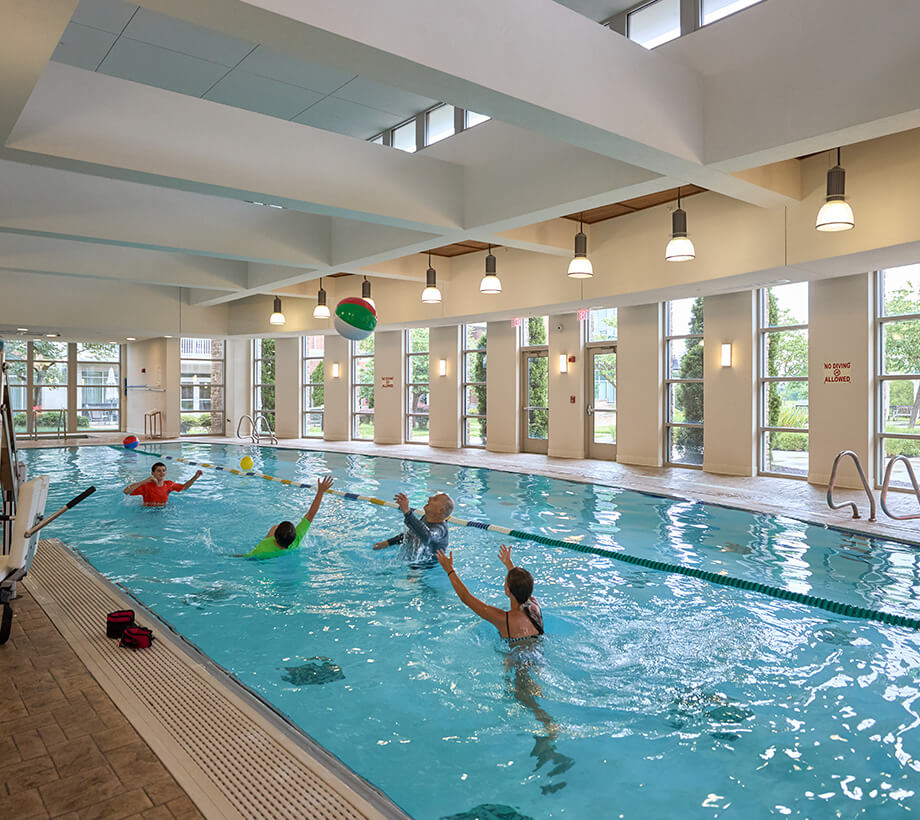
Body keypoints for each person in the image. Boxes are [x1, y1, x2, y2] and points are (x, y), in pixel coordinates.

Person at [436, 544, 543, 640]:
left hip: (516, 661)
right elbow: (521, 585)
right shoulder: (534, 605)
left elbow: (466, 598)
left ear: (507, 590)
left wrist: (449, 569)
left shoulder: (504, 619)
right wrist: (509, 564)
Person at [243, 475, 334, 558]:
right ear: (294, 537)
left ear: (275, 536)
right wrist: (321, 491)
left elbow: (247, 557)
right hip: (286, 555)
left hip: (266, 557)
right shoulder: (296, 541)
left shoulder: (263, 547)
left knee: (273, 527)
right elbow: (311, 514)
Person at [373, 491, 452, 559]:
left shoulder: (440, 529)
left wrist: (407, 512)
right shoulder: (426, 518)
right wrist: (388, 543)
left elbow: (427, 537)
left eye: (434, 499)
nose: (429, 498)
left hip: (427, 567)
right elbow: (412, 534)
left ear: (440, 510)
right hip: (415, 560)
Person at [123, 462, 202, 507]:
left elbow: (184, 487)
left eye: (163, 470)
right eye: (159, 471)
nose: (162, 473)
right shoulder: (146, 486)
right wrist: (144, 481)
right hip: (148, 512)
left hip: (164, 510)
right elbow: (126, 491)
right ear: (152, 473)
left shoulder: (169, 484)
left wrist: (195, 477)